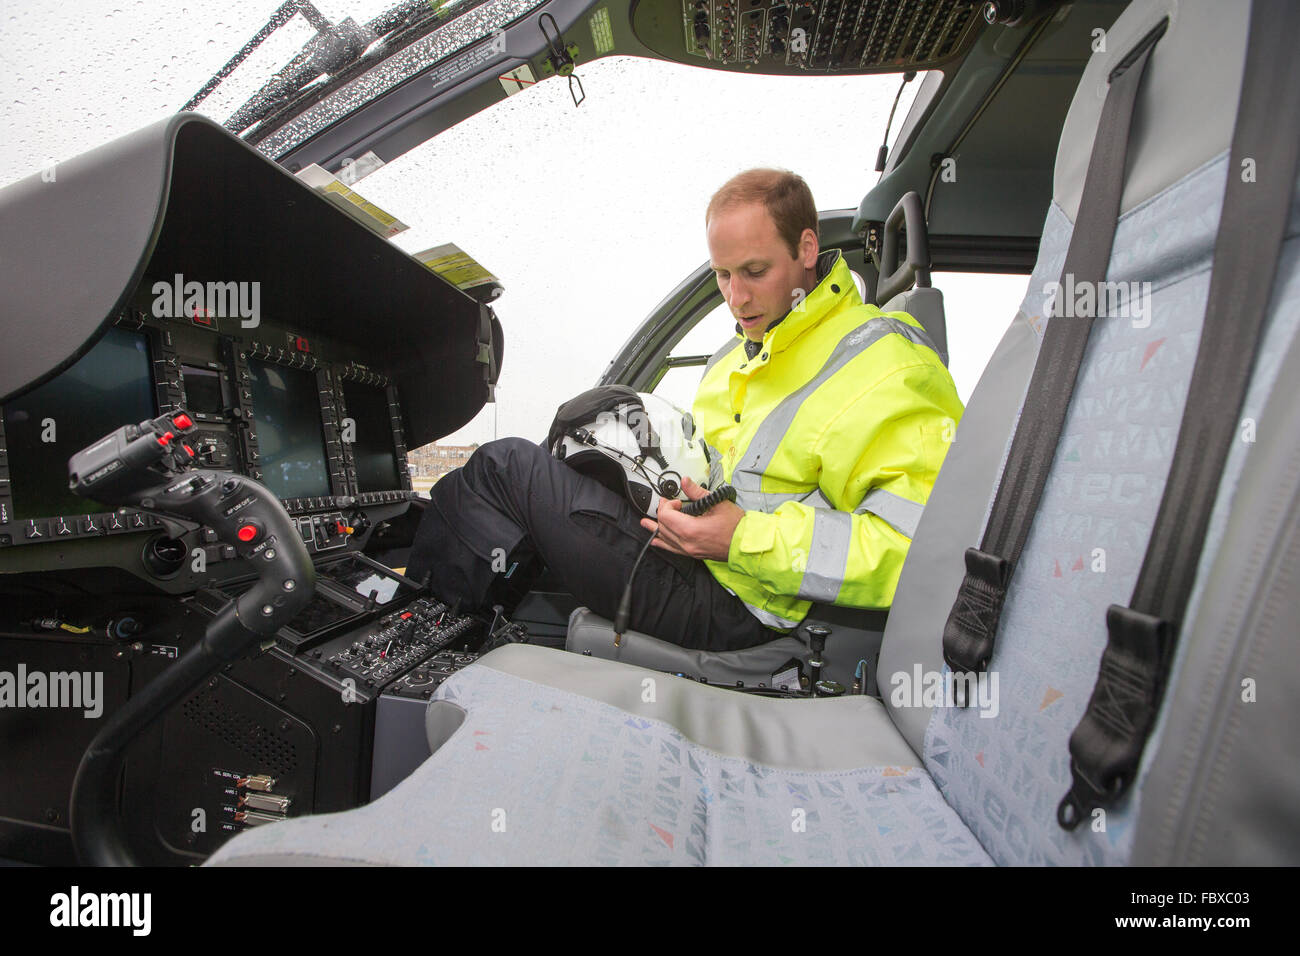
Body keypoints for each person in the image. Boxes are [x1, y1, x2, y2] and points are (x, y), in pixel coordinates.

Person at [406, 168, 963, 650]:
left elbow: (919, 550)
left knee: (505, 469)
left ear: (808, 249)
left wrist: (739, 538)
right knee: (569, 439)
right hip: (699, 553)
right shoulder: (737, 354)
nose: (736, 297)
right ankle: (454, 623)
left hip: (747, 601)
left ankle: (415, 643)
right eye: (722, 275)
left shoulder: (884, 362)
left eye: (754, 271)